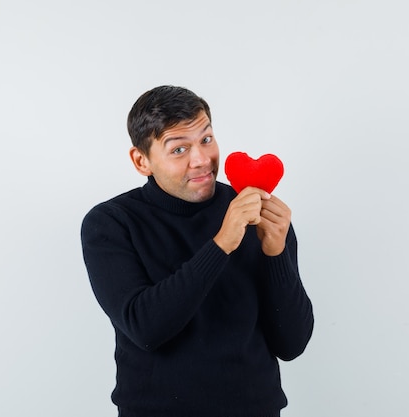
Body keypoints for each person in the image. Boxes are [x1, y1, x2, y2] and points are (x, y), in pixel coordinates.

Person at [81, 85, 314, 417]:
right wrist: (221, 244)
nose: (202, 160)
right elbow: (146, 329)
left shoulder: (255, 213)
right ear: (141, 160)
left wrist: (276, 254)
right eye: (179, 149)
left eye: (206, 139)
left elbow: (291, 344)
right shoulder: (111, 223)